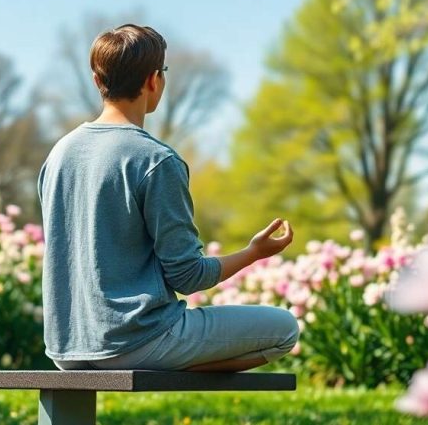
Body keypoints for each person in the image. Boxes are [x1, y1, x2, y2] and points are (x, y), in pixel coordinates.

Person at [38, 24, 298, 372]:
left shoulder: (59, 154)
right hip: (138, 343)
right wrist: (254, 253)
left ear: (98, 81)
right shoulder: (155, 160)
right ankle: (171, 368)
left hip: (66, 349)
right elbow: (189, 277)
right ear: (152, 80)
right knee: (285, 330)